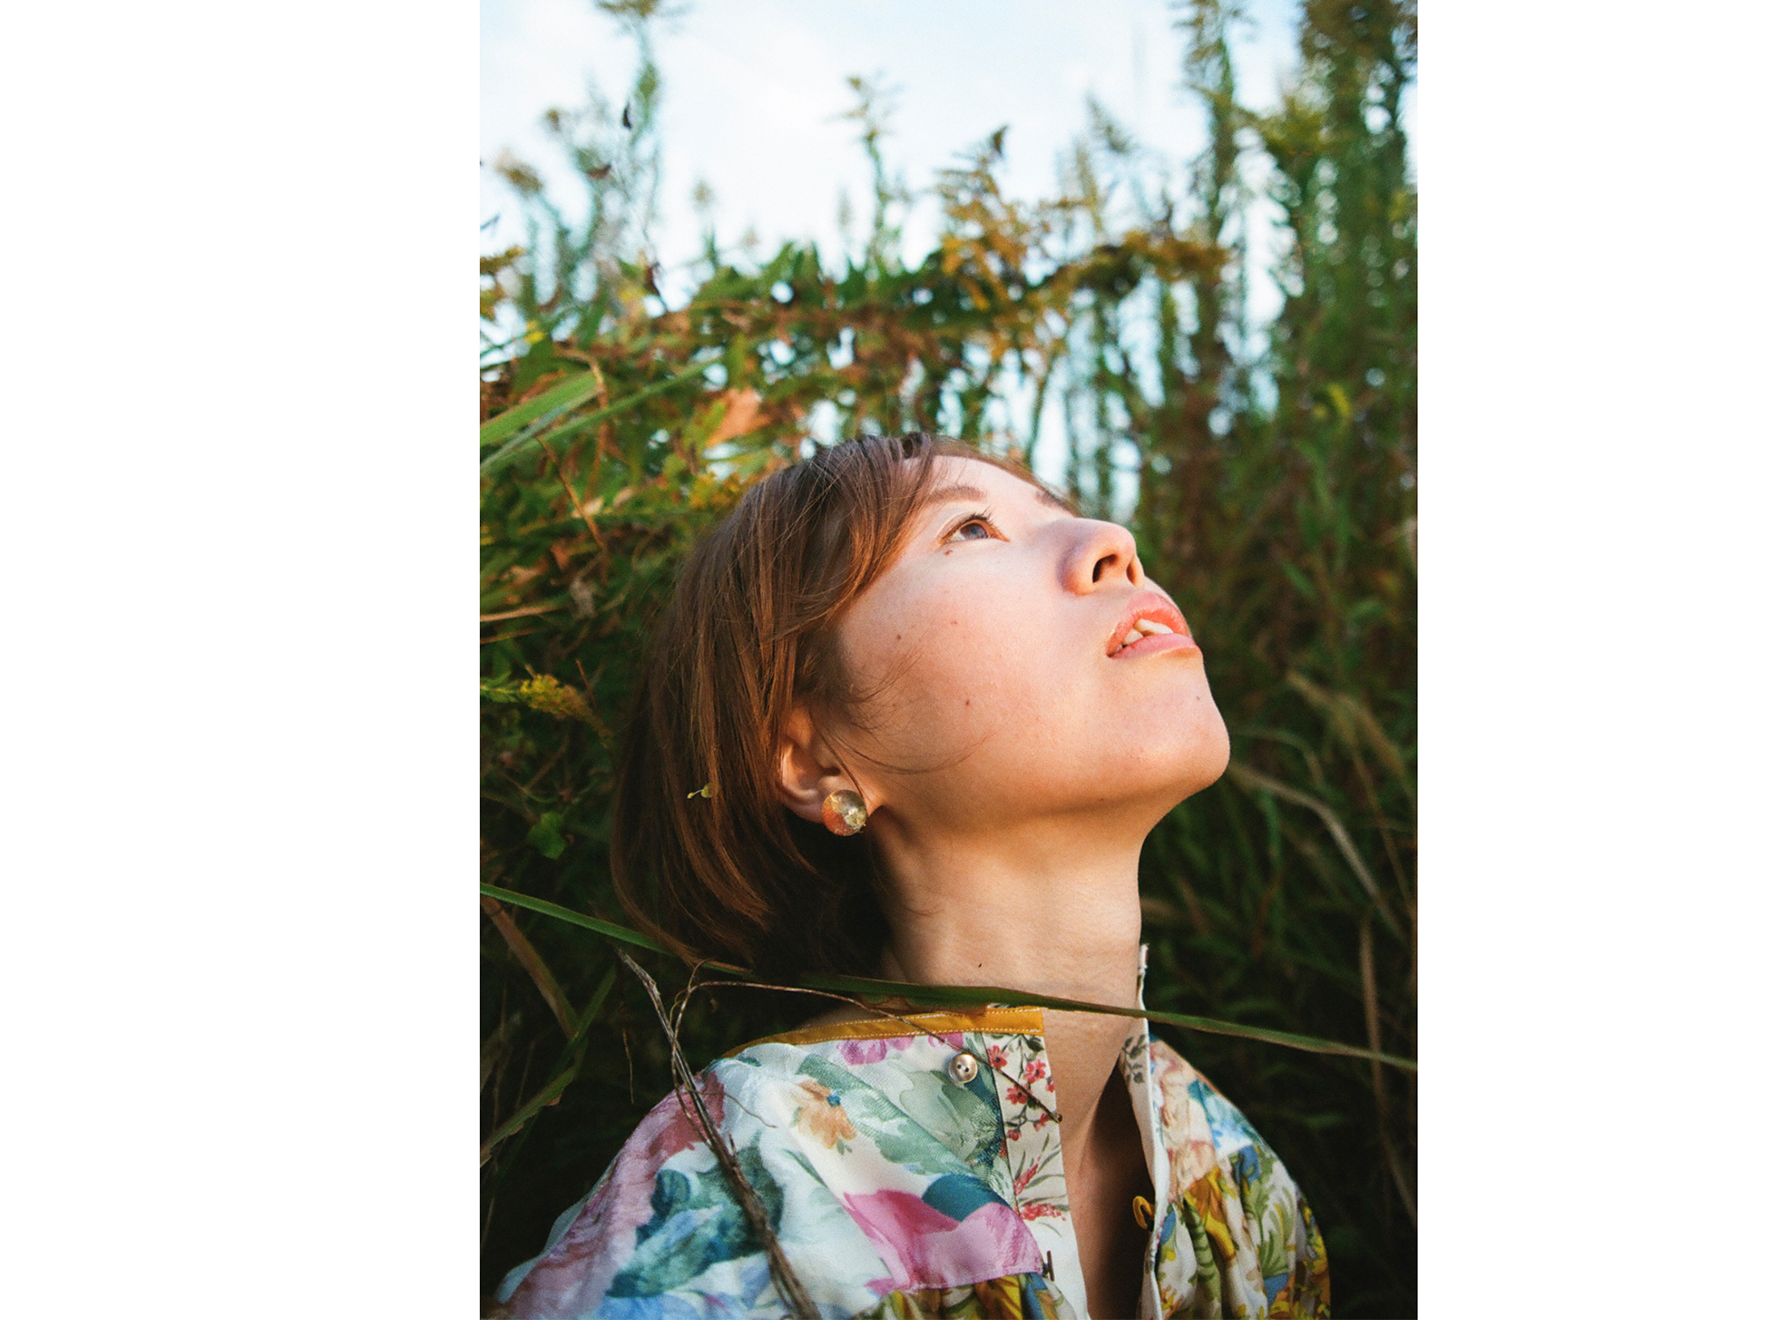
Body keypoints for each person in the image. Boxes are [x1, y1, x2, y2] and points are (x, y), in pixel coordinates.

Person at [493, 433, 1329, 1319]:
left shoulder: (1229, 1171)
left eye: (1066, 511)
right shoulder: (739, 1210)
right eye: (970, 529)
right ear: (816, 757)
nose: (1112, 540)